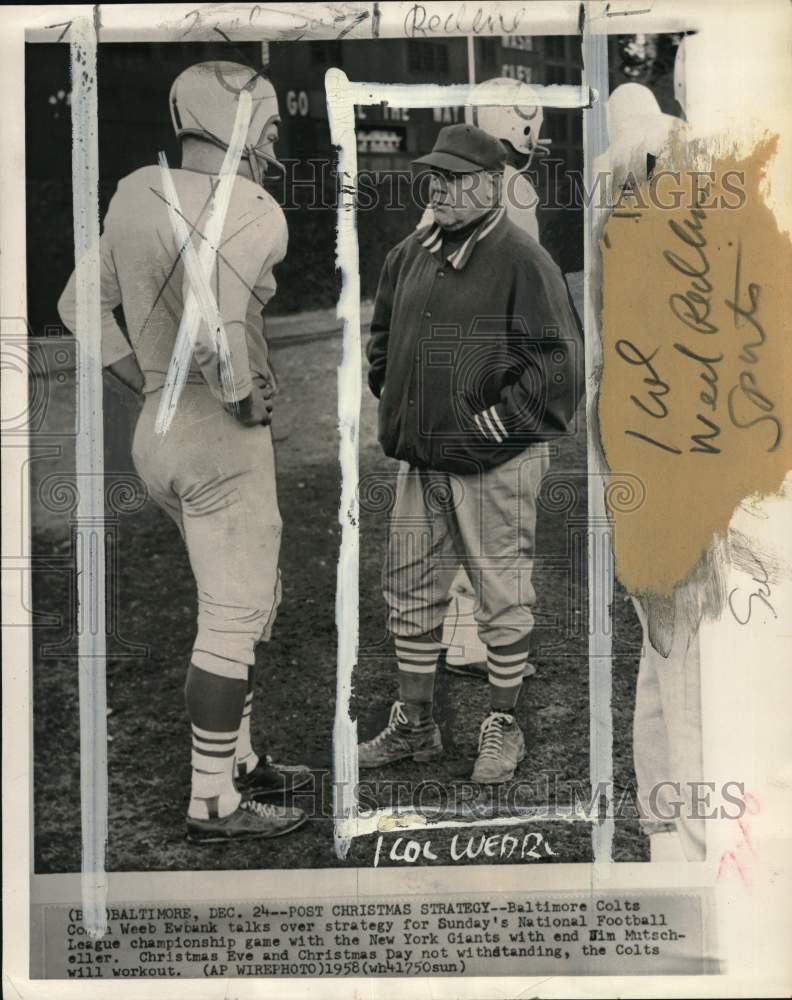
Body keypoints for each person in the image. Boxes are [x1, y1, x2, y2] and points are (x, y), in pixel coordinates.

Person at [58, 61, 310, 844]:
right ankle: (211, 800)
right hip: (218, 436)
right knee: (232, 618)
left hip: (159, 432)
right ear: (244, 124)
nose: (274, 147)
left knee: (237, 600)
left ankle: (240, 758)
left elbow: (77, 305)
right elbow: (218, 325)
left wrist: (148, 383)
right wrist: (238, 393)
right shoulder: (254, 205)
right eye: (270, 129)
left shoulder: (138, 190)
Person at [360, 123, 584, 784]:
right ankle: (415, 726)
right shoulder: (408, 253)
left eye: (456, 178)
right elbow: (382, 338)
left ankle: (503, 725)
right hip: (423, 459)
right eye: (435, 176)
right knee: (409, 591)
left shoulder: (522, 258)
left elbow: (560, 365)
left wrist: (497, 425)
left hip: (496, 461)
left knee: (501, 597)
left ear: (491, 185)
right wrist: (401, 400)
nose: (440, 189)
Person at [437, 78, 553, 682]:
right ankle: (485, 643)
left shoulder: (446, 185)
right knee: (504, 514)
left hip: (449, 367)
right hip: (495, 367)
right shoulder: (514, 188)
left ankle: (460, 635)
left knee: (465, 513)